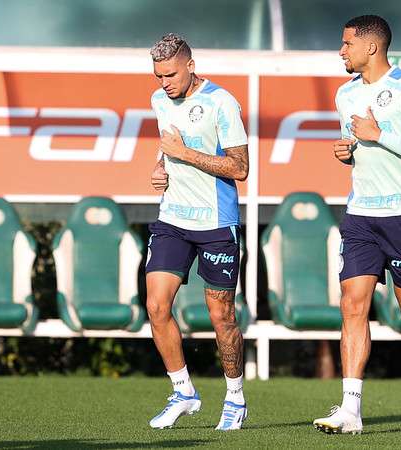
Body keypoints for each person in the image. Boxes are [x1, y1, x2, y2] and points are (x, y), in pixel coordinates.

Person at [311, 15, 401, 436]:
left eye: (346, 43)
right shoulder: (345, 93)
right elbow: (358, 147)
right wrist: (347, 152)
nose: (341, 51)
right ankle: (351, 409)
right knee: (352, 304)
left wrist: (378, 133)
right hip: (361, 215)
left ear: (371, 47)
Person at [145, 33, 250, 430]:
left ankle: (235, 397)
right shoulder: (159, 101)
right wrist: (159, 168)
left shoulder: (222, 103)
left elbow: (240, 167)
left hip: (216, 224)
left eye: (170, 74)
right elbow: (166, 147)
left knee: (221, 316)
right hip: (173, 219)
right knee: (157, 306)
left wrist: (183, 154)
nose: (165, 83)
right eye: (158, 77)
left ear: (191, 65)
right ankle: (184, 391)